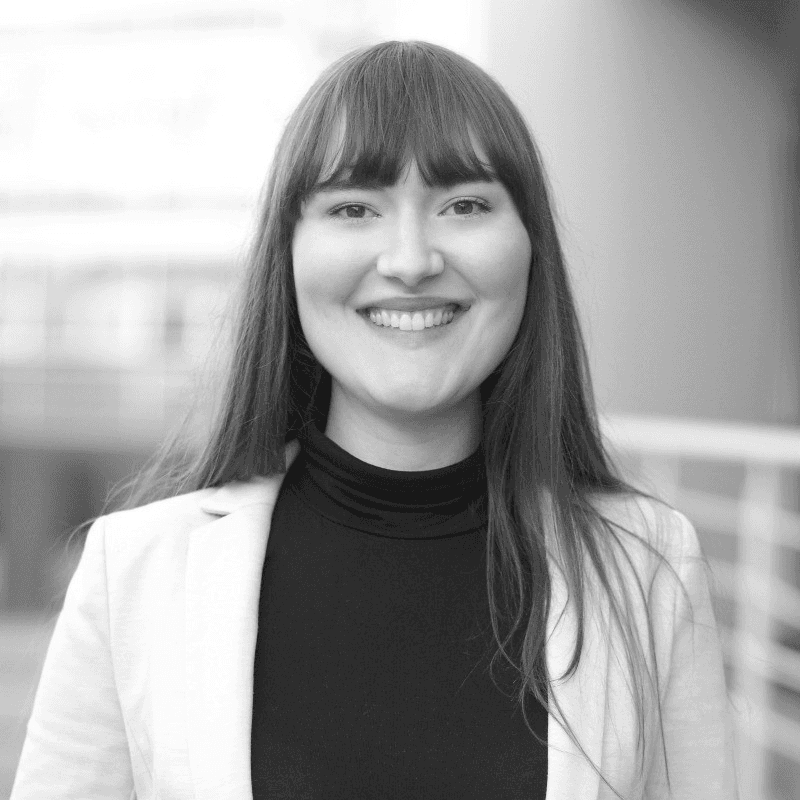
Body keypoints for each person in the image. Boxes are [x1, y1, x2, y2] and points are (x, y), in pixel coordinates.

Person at [11, 40, 735, 800]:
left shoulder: (647, 566)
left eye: (465, 205)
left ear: (531, 251)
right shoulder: (136, 571)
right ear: (287, 257)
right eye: (354, 208)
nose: (412, 259)